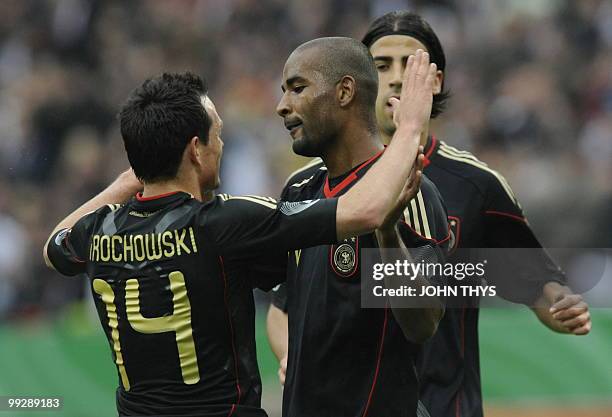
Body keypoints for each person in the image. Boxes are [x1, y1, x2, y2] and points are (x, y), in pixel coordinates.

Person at [42, 55, 436, 417]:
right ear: (196, 150)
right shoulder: (224, 222)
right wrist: (411, 129)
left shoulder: (99, 229)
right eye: (217, 134)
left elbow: (53, 245)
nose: (223, 145)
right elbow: (367, 209)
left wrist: (138, 171)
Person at [269, 11, 592, 417]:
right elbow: (285, 306)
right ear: (354, 85)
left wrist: (560, 304)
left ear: (435, 82)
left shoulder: (475, 185)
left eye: (413, 64)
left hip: (443, 406)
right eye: (382, 64)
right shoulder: (307, 186)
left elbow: (531, 281)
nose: (398, 77)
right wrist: (291, 359)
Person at [270, 38, 450, 417]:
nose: (282, 106)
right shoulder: (299, 190)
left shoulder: (411, 190)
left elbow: (423, 323)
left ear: (345, 92)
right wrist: (292, 356)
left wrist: (386, 234)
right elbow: (282, 305)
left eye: (297, 88)